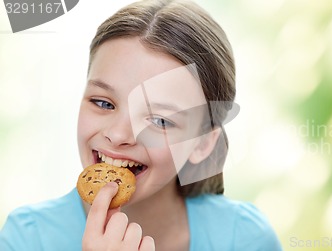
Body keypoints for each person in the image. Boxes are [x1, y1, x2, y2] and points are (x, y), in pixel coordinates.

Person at [0, 0, 283, 250]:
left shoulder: (245, 239)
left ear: (202, 142)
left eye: (160, 120)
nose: (118, 134)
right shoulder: (27, 239)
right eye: (103, 103)